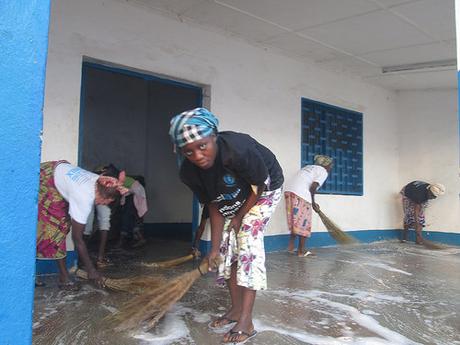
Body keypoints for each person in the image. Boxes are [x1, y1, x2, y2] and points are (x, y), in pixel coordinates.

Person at [169, 108, 283, 344]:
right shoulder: (189, 172)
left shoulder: (237, 150)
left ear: (214, 136)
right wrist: (213, 249)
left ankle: (246, 321)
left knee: (248, 244)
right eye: (189, 152)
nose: (198, 155)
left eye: (203, 146)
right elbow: (214, 204)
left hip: (264, 188)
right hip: (234, 193)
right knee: (226, 249)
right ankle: (234, 310)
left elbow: (258, 186)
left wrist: (241, 217)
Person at [36, 161, 128, 290]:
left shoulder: (99, 181)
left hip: (54, 169)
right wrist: (91, 271)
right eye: (107, 201)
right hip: (46, 179)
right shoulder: (84, 196)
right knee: (57, 229)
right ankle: (64, 278)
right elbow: (77, 239)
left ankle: (41, 275)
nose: (104, 204)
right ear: (101, 194)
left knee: (62, 225)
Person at [284, 155, 333, 257]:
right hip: (301, 195)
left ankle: (291, 247)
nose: (331, 168)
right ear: (327, 165)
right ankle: (301, 251)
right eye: (330, 165)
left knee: (295, 220)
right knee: (304, 223)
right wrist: (313, 203)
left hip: (289, 193)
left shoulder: (308, 167)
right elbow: (313, 187)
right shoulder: (323, 171)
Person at [83, 164, 120, 268]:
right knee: (92, 225)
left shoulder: (110, 181)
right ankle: (95, 257)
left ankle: (90, 258)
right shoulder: (97, 181)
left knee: (94, 225)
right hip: (91, 195)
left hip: (98, 195)